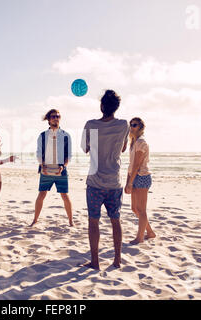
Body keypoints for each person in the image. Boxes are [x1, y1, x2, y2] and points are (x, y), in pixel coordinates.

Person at [81, 90, 129, 269]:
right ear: (116, 107)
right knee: (115, 220)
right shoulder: (124, 125)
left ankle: (95, 262)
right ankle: (117, 260)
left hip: (95, 181)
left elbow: (86, 149)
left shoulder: (91, 125)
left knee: (94, 221)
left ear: (101, 106)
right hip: (114, 181)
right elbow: (123, 148)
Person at [30, 109, 73, 227]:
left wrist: (63, 166)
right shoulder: (43, 135)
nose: (56, 118)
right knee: (42, 194)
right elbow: (39, 152)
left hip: (61, 170)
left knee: (64, 195)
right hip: (46, 170)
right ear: (49, 120)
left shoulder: (66, 135)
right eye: (53, 116)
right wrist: (42, 165)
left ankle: (71, 221)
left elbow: (68, 155)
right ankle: (35, 220)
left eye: (58, 116)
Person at [125, 117, 156, 245]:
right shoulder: (133, 142)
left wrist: (130, 183)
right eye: (130, 125)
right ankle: (150, 232)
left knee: (141, 209)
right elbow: (131, 165)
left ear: (140, 127)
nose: (131, 127)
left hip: (142, 177)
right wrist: (128, 180)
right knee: (134, 208)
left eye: (134, 125)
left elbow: (137, 165)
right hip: (134, 176)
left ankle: (140, 237)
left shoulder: (141, 142)